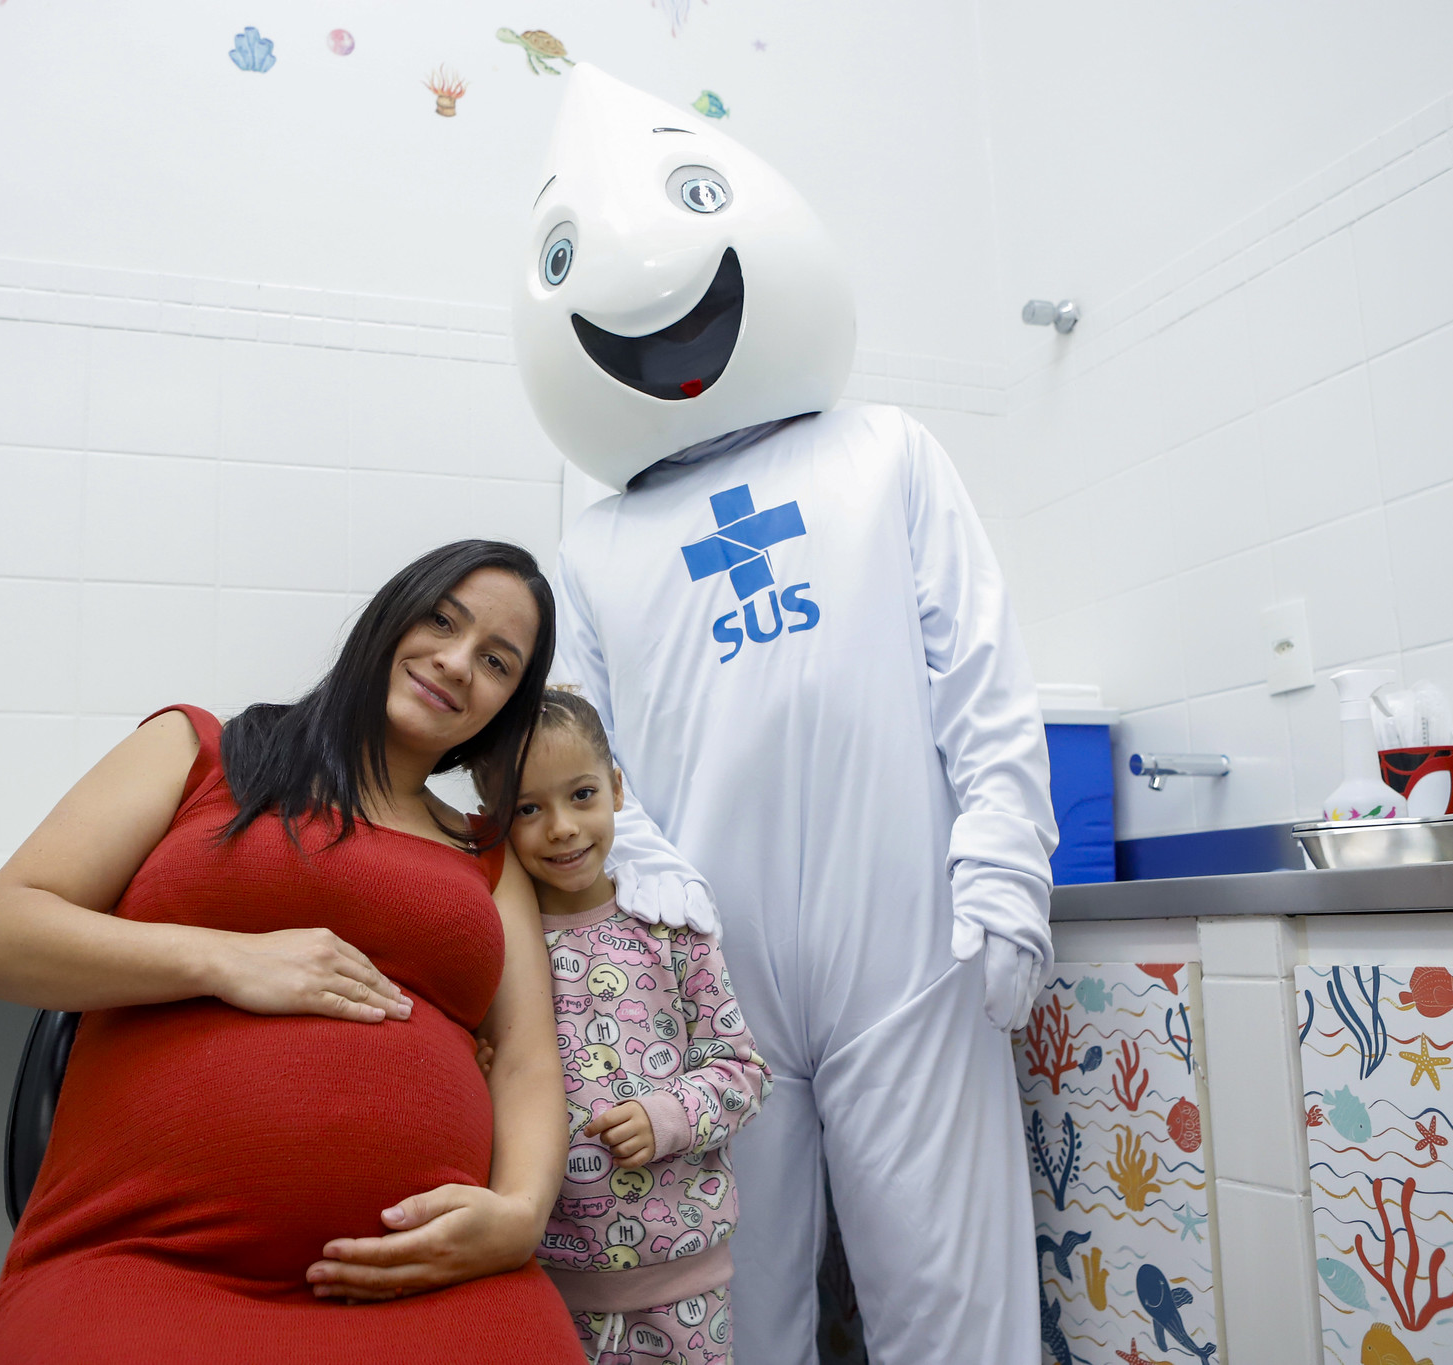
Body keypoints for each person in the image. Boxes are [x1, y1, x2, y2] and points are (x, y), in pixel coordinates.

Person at [509, 67, 1059, 1363]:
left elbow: (982, 681)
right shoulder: (591, 545)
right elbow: (586, 766)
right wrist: (650, 933)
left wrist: (1003, 865)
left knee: (951, 1296)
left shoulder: (885, 451)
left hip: (907, 941)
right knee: (732, 1307)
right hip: (709, 973)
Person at [0, 540, 587, 1364]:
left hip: (429, 1279)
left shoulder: (486, 854)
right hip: (147, 1262)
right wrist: (228, 959)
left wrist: (521, 1213)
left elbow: (528, 1061)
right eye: (441, 620)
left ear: (508, 704)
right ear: (389, 617)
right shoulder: (204, 753)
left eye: (497, 661)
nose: (458, 662)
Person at [473, 691, 771, 1365]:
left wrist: (668, 1116)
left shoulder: (673, 929)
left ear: (615, 789)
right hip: (546, 1288)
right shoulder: (497, 947)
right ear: (493, 819)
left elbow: (745, 1073)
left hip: (685, 1290)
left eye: (581, 795)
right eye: (527, 808)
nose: (562, 827)